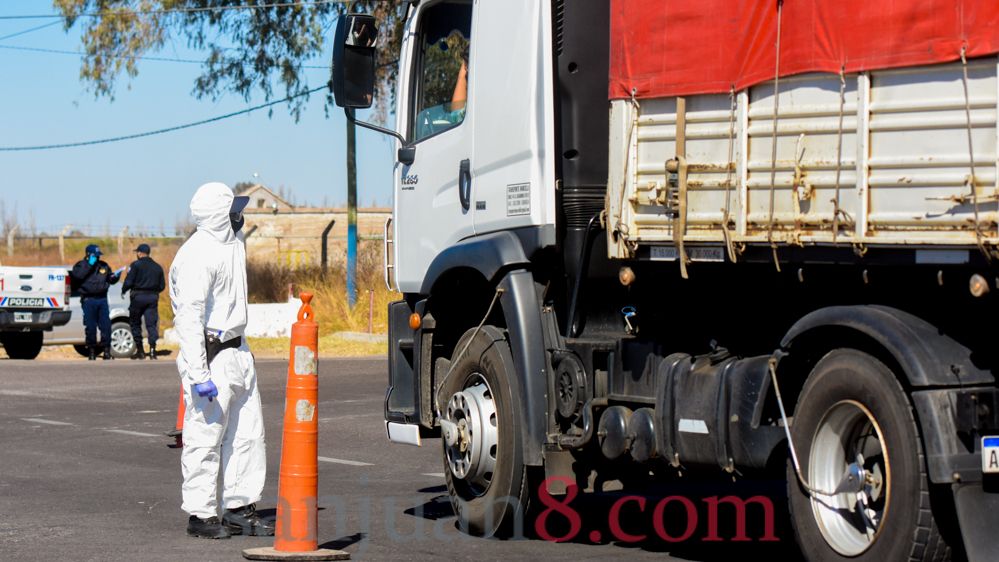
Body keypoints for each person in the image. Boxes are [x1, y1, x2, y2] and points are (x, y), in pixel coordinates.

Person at [170, 182, 272, 539]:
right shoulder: (197, 255)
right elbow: (189, 318)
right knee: (205, 437)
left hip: (238, 351)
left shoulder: (230, 244)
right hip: (211, 356)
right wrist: (198, 374)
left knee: (247, 435)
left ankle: (240, 507)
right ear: (218, 216)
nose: (239, 216)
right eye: (233, 210)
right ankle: (200, 514)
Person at [70, 244, 122, 360]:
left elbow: (110, 279)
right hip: (88, 300)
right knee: (91, 326)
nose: (98, 258)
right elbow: (78, 276)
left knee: (106, 326)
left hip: (102, 299)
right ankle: (92, 351)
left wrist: (115, 277)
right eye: (95, 256)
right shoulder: (81, 265)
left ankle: (107, 351)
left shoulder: (103, 266)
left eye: (98, 256)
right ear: (88, 255)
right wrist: (89, 265)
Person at [121, 243, 165, 360]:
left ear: (140, 253)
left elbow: (129, 281)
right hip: (152, 298)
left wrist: (124, 289)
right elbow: (162, 286)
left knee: (135, 323)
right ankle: (152, 351)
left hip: (138, 297)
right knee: (151, 324)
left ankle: (140, 351)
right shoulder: (157, 267)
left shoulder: (135, 265)